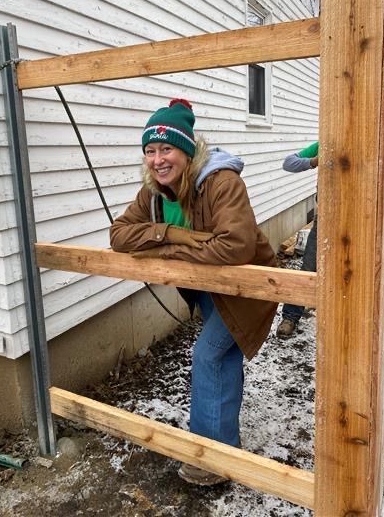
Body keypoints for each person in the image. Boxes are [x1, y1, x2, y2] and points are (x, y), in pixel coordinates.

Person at [110, 99, 278, 486]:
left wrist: (165, 249)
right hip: (207, 287)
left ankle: (209, 457)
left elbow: (235, 247)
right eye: (150, 151)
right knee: (224, 358)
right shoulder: (154, 192)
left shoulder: (221, 182)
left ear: (187, 151)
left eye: (166, 149)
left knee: (209, 356)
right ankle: (225, 447)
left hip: (246, 290)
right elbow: (119, 235)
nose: (157, 160)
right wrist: (169, 234)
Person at [276, 141, 318, 338]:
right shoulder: (325, 144)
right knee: (308, 269)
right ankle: (290, 316)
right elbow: (289, 163)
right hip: (326, 220)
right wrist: (314, 161)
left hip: (359, 222)